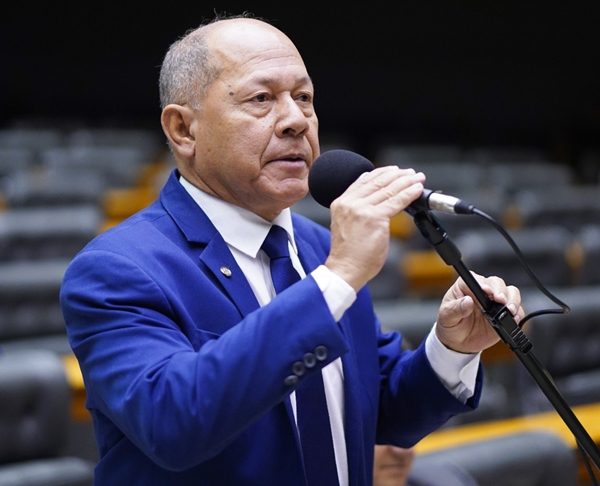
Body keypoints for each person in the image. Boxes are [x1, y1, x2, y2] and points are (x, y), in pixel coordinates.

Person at [60, 13, 524, 486]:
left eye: (304, 98)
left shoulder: (321, 247)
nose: (296, 121)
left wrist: (451, 347)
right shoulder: (116, 269)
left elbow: (377, 405)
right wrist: (337, 277)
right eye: (261, 99)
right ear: (183, 129)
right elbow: (174, 422)